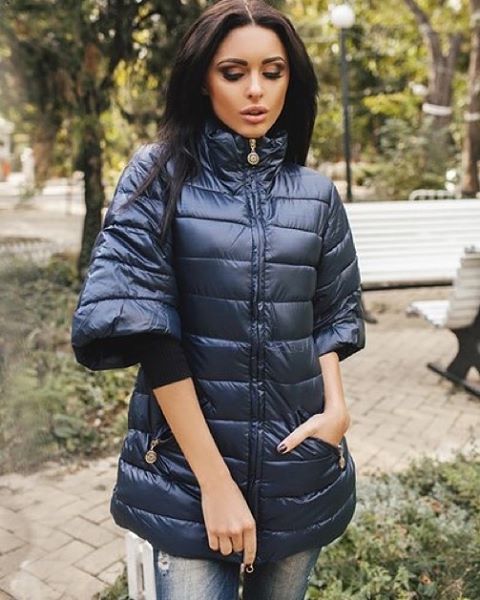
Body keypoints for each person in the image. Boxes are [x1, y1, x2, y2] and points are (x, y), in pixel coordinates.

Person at [70, 0, 366, 598]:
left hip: (297, 468)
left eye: (272, 72)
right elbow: (148, 329)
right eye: (234, 72)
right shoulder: (157, 175)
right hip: (187, 476)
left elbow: (331, 314)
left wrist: (336, 412)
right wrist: (215, 484)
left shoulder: (314, 194)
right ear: (203, 80)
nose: (255, 90)